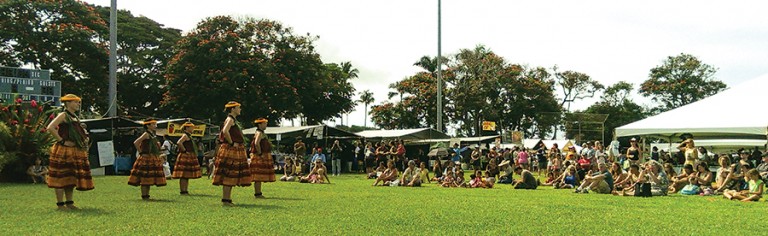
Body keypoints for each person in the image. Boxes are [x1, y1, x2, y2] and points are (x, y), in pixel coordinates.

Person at [45, 94, 94, 210]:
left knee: (71, 176)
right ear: (68, 103)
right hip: (64, 150)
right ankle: (60, 204)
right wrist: (62, 141)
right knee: (61, 176)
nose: (78, 104)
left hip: (74, 150)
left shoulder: (75, 117)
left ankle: (70, 202)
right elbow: (50, 127)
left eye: (78, 102)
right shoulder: (63, 115)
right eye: (75, 102)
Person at [212, 101, 253, 207]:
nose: (240, 109)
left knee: (231, 173)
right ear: (233, 109)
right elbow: (225, 131)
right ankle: (225, 199)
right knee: (229, 172)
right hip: (231, 148)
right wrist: (231, 142)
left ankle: (227, 199)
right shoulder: (230, 119)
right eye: (238, 108)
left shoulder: (232, 119)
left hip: (234, 148)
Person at [128, 118, 167, 200]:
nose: (155, 126)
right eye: (153, 124)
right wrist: (141, 152)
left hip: (152, 157)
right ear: (148, 125)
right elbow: (136, 142)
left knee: (149, 176)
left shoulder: (152, 134)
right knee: (145, 176)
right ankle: (144, 195)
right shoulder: (146, 134)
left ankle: (147, 195)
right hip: (146, 157)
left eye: (155, 124)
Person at [172, 121, 203, 195]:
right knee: (183, 174)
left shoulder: (189, 136)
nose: (193, 129)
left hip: (189, 155)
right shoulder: (185, 135)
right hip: (185, 155)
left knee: (186, 174)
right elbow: (179, 142)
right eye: (192, 127)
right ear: (187, 128)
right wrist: (184, 150)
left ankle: (185, 190)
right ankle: (183, 190)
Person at [250, 118, 276, 198]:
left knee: (260, 175)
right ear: (259, 124)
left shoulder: (261, 132)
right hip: (259, 156)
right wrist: (260, 153)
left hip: (262, 155)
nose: (266, 125)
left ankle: (258, 192)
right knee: (258, 175)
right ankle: (257, 193)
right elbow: (257, 143)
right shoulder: (259, 133)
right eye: (264, 123)